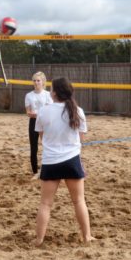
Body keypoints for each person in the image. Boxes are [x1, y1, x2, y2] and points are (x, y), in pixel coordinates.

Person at [33, 77, 94, 246]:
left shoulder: (44, 111)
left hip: (51, 161)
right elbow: (80, 140)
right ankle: (87, 237)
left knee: (45, 204)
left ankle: (39, 239)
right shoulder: (78, 111)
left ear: (53, 93)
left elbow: (42, 137)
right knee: (79, 201)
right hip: (71, 160)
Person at [25, 71, 53, 180]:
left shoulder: (47, 94)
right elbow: (28, 112)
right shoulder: (29, 95)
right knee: (33, 147)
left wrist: (38, 114)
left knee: (47, 146)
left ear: (43, 82)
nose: (36, 82)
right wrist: (37, 114)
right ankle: (35, 171)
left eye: (38, 80)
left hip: (45, 122)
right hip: (33, 122)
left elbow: (49, 110)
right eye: (34, 80)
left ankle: (47, 168)